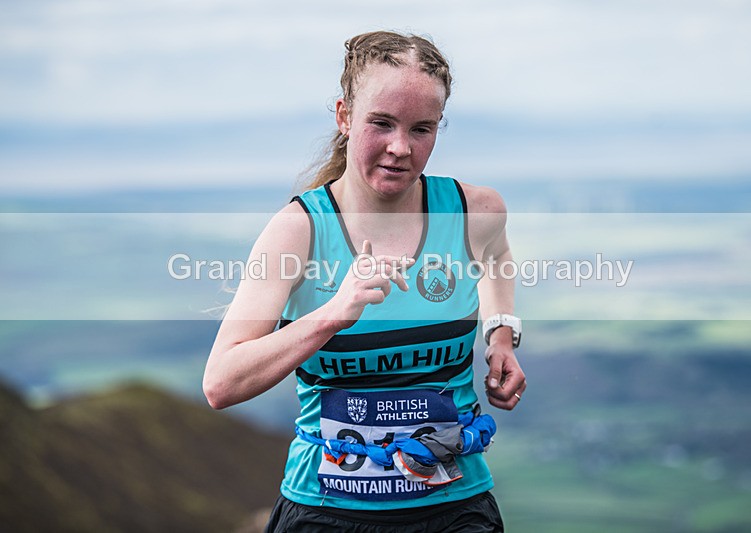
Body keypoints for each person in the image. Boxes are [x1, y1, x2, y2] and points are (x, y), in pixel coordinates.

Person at [203, 30, 526, 532]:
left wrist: (501, 333)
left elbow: (498, 256)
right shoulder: (299, 231)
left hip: (457, 509)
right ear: (344, 116)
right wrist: (334, 312)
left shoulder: (473, 211)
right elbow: (222, 383)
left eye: (422, 128)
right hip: (326, 513)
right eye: (381, 123)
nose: (401, 147)